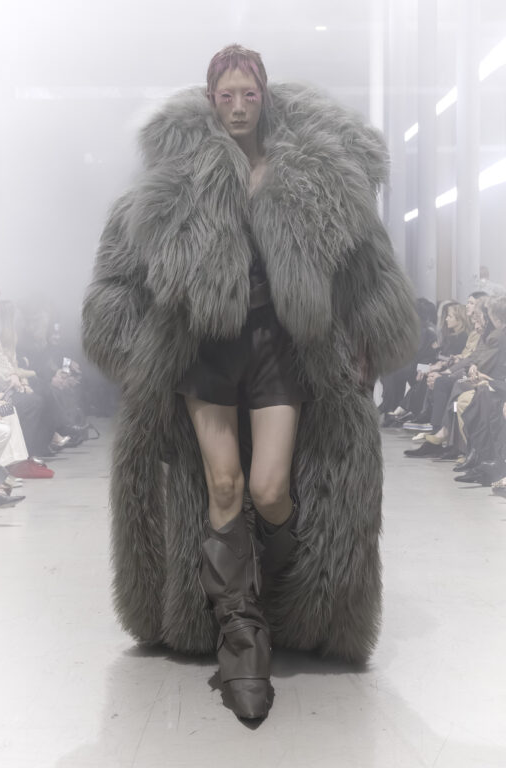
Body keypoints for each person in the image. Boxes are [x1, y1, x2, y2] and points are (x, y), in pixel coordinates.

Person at [82, 44, 419, 720]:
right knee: (224, 486)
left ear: (264, 97)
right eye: (226, 96)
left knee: (270, 492)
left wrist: (370, 337)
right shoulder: (179, 177)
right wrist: (135, 349)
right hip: (204, 352)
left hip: (278, 350)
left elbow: (371, 270)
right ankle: (242, 638)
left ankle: (269, 581)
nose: (237, 107)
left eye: (249, 95)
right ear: (211, 99)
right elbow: (117, 278)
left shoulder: (316, 175)